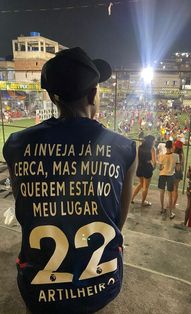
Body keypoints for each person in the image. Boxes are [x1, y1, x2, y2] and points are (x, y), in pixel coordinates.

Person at [3, 47, 136, 314]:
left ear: (53, 97)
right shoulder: (125, 148)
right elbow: (117, 219)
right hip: (102, 284)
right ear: (93, 94)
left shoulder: (16, 145)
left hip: (39, 288)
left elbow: (27, 210)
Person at [131, 135, 156, 206]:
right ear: (151, 141)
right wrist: (153, 167)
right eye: (154, 140)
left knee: (141, 184)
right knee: (145, 187)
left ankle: (132, 198)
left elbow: (138, 159)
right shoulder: (152, 149)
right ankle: (143, 202)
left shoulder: (140, 147)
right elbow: (154, 162)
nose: (155, 142)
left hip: (140, 167)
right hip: (147, 168)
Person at [158, 140, 180, 219]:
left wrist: (163, 167)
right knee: (170, 194)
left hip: (162, 175)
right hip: (171, 175)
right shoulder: (176, 156)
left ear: (166, 147)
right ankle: (171, 213)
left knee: (162, 192)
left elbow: (160, 168)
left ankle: (161, 208)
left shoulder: (161, 156)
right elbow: (177, 169)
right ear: (172, 147)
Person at [172, 140, 184, 209]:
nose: (173, 146)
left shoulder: (177, 155)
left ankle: (173, 204)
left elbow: (178, 167)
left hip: (176, 173)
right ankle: (173, 203)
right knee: (174, 189)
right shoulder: (181, 154)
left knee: (174, 189)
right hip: (178, 173)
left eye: (174, 145)